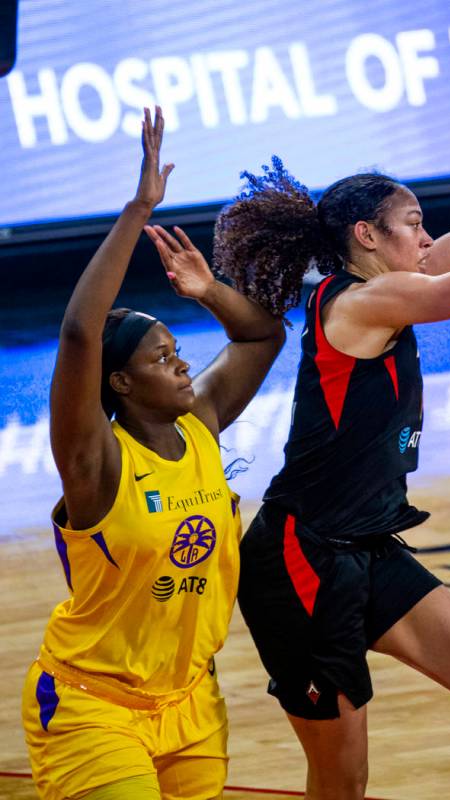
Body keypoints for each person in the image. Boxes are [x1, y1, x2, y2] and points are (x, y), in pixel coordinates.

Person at [214, 68, 450, 799]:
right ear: (367, 237)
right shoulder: (368, 301)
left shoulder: (390, 284)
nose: (430, 239)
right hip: (301, 559)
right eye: (414, 227)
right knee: (344, 780)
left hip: (362, 544)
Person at [21, 106, 284, 800]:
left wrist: (207, 291)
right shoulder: (94, 462)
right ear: (120, 382)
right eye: (161, 358)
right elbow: (80, 332)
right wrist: (138, 212)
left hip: (191, 701)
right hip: (92, 708)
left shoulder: (201, 420)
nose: (181, 366)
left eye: (178, 352)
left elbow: (261, 339)